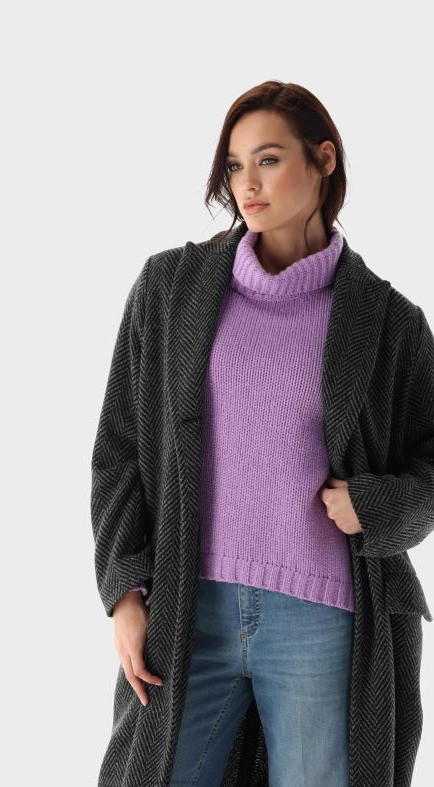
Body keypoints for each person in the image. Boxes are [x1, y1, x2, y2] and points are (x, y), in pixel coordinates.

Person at [91, 80, 434, 787]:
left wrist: (375, 504)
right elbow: (118, 449)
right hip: (189, 607)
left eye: (269, 160)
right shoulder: (170, 289)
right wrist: (124, 592)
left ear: (324, 160)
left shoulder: (389, 323)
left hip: (322, 618)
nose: (246, 184)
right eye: (234, 165)